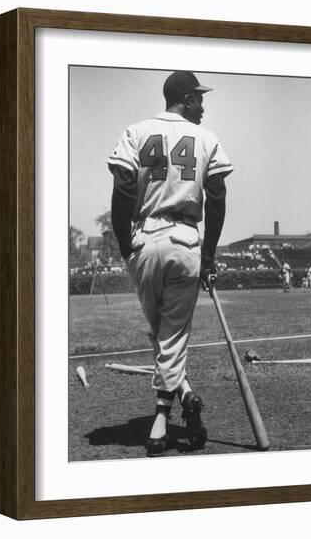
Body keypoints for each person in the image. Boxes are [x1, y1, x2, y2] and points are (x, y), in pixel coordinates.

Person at [107, 71, 233, 456]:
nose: (203, 105)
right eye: (198, 98)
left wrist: (126, 243)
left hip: (144, 239)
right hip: (185, 241)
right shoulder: (207, 139)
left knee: (162, 335)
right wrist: (209, 256)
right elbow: (217, 197)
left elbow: (124, 189)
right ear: (185, 99)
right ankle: (162, 420)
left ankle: (186, 395)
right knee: (171, 337)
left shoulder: (135, 131)